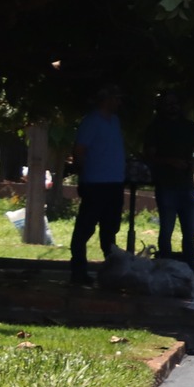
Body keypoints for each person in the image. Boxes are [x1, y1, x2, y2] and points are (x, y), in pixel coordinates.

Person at [69, 86, 126, 284]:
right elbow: (79, 150)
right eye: (116, 98)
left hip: (114, 184)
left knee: (109, 232)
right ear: (106, 99)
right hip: (95, 183)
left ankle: (111, 274)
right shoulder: (91, 122)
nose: (119, 102)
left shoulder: (115, 121)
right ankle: (78, 272)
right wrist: (83, 176)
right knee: (84, 230)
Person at [144, 93, 194, 262]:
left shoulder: (190, 127)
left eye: (175, 103)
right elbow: (149, 157)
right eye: (168, 103)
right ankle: (164, 267)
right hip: (166, 186)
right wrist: (170, 161)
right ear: (161, 107)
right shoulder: (155, 128)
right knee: (166, 231)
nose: (172, 106)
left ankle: (190, 271)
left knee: (189, 233)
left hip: (187, 186)